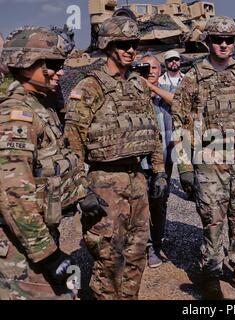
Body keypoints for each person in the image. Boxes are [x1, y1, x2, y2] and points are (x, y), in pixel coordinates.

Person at [171, 16, 235, 300]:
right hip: (209, 164)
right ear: (208, 42)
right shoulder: (193, 78)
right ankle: (211, 275)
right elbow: (178, 124)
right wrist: (184, 166)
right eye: (218, 39)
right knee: (213, 222)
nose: (224, 45)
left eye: (229, 40)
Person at [64, 16, 167, 300]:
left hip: (137, 178)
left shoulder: (138, 85)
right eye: (123, 44)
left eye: (133, 44)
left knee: (136, 254)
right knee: (109, 256)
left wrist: (158, 171)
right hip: (104, 181)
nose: (130, 50)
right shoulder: (90, 87)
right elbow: (72, 142)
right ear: (108, 45)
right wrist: (80, 190)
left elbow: (152, 131)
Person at [0, 27, 107, 299]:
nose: (61, 71)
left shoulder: (42, 106)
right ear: (25, 64)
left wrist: (81, 192)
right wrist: (48, 255)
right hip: (20, 252)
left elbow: (56, 164)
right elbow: (13, 195)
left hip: (39, 235)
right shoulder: (16, 116)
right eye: (54, 64)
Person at [139, 53, 175, 268]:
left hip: (163, 160)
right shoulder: (131, 92)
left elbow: (178, 102)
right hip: (137, 162)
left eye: (154, 67)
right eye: (145, 68)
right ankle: (139, 245)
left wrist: (151, 88)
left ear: (160, 71)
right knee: (137, 205)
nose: (150, 71)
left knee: (158, 204)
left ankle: (155, 245)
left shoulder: (166, 93)